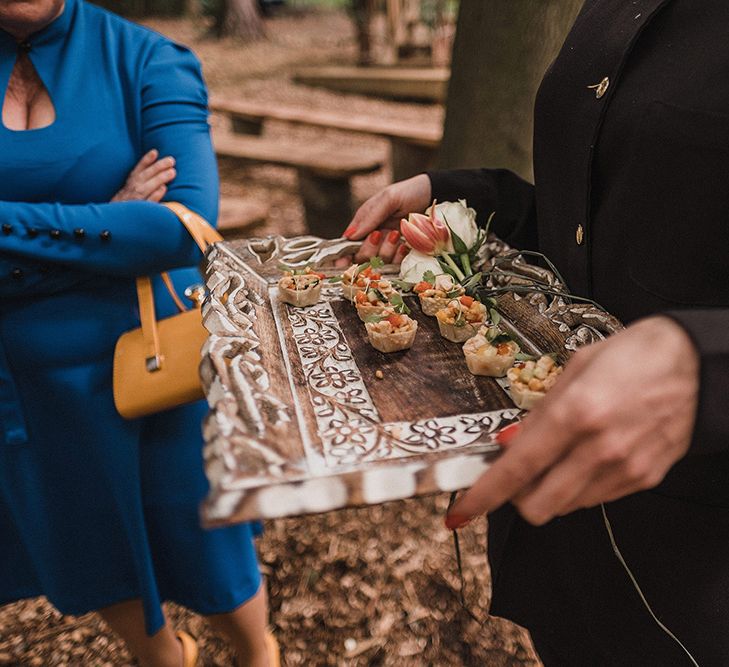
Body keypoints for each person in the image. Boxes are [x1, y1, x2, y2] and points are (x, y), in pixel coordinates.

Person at [343, 1, 729, 665]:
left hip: (698, 566)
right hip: (564, 529)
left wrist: (708, 368)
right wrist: (461, 201)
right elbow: (603, 217)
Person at [0, 1, 278, 666]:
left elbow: (185, 226)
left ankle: (259, 651)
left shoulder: (147, 58)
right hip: (24, 386)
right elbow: (137, 232)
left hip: (155, 362)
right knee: (95, 551)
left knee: (211, 550)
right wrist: (111, 217)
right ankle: (161, 656)